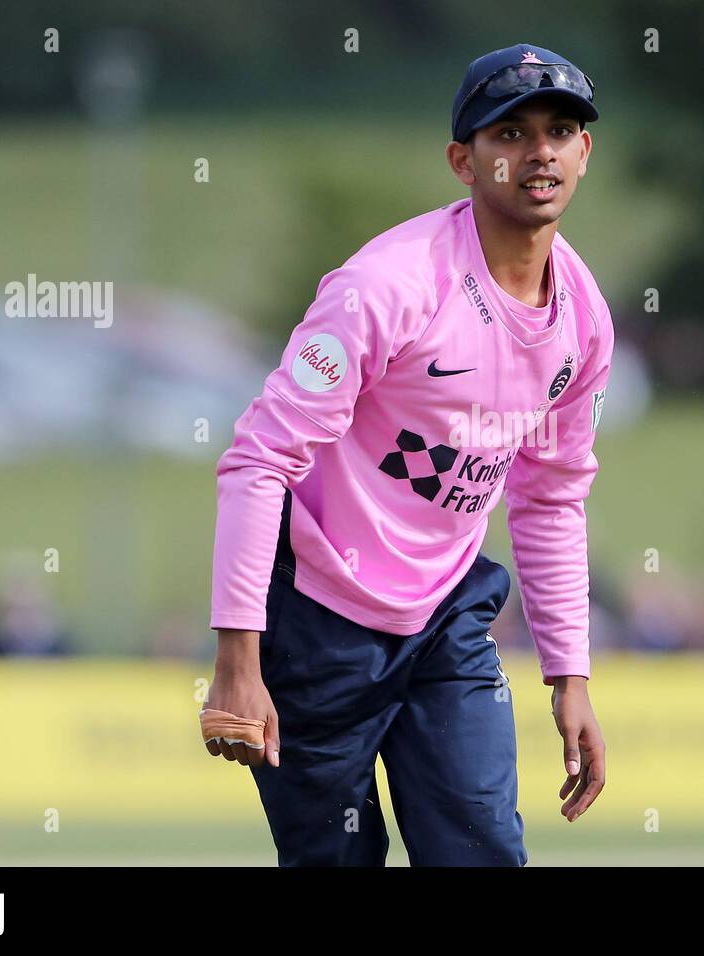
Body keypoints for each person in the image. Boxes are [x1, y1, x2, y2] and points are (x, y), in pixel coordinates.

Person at [203, 43, 613, 866]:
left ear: (583, 152)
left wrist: (570, 674)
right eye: (510, 134)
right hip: (318, 622)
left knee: (482, 849)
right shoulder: (386, 286)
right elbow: (259, 460)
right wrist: (236, 664)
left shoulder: (584, 317)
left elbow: (552, 495)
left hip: (447, 618)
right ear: (464, 161)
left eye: (560, 130)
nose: (538, 152)